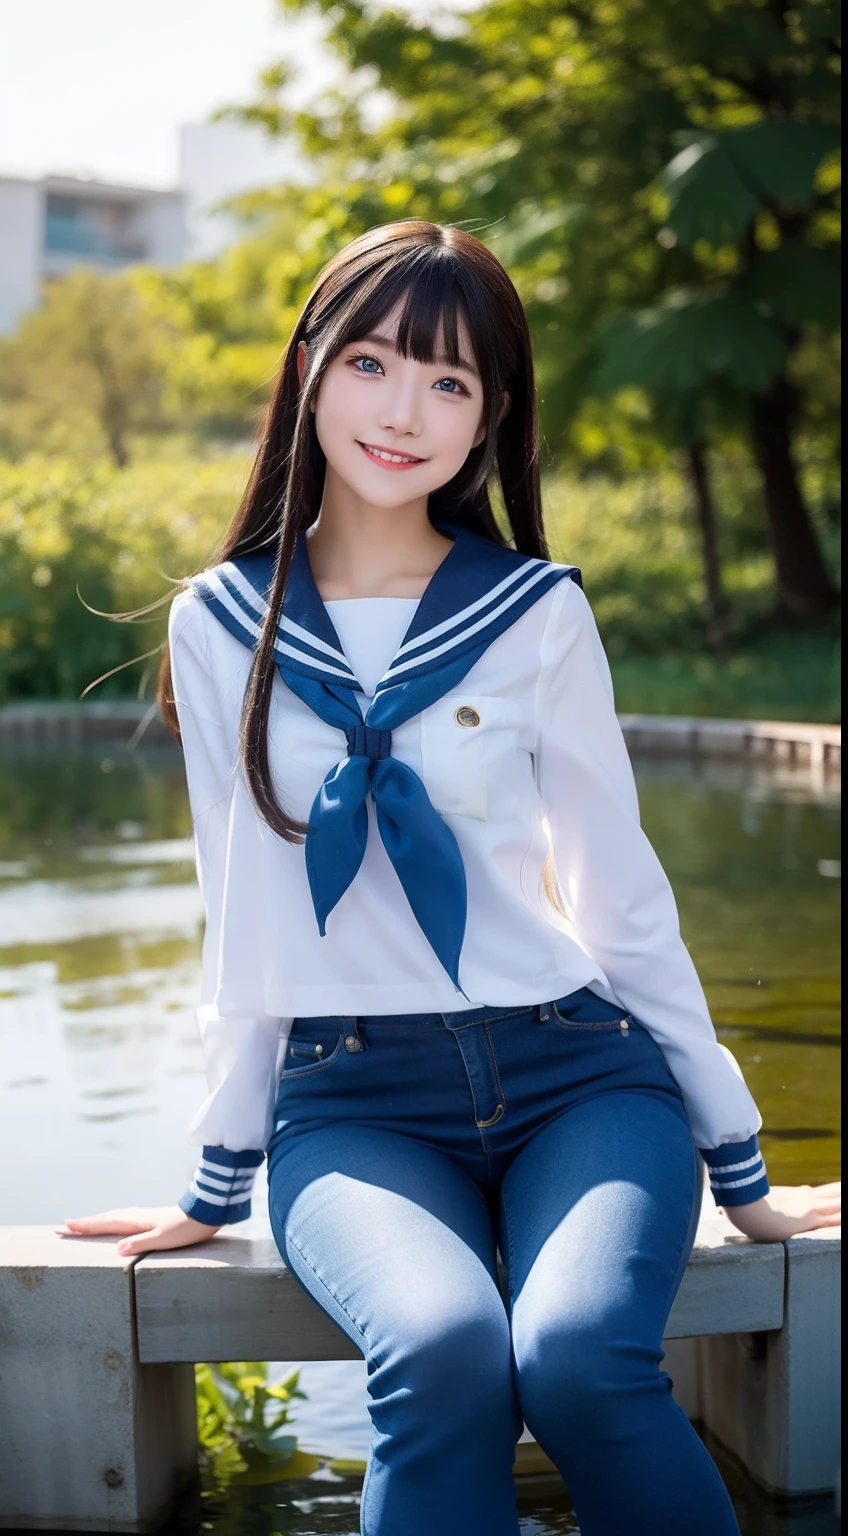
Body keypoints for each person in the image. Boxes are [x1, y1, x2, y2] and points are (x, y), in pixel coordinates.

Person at [66, 222, 841, 1536]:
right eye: (371, 362)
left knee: (585, 1358)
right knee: (437, 1352)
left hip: (577, 1075)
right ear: (309, 369)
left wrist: (741, 1166)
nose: (402, 411)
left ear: (490, 420)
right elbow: (246, 915)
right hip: (352, 1097)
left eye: (450, 381)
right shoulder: (218, 625)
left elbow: (620, 897)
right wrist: (214, 1178)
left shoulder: (536, 613)